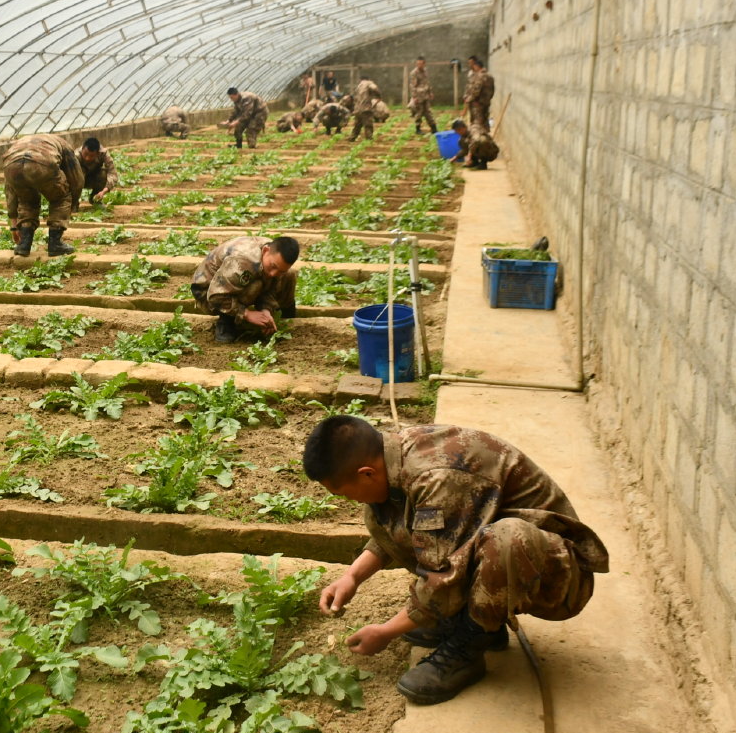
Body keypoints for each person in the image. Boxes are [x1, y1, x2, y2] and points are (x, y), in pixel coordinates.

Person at [305, 415, 608, 705]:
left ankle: (469, 644)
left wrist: (386, 631)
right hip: (504, 553)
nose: (350, 500)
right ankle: (476, 621)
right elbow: (403, 529)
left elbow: (441, 579)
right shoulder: (393, 458)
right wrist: (352, 577)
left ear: (367, 473)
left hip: (558, 574)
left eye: (345, 494)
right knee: (386, 512)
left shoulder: (436, 477)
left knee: (506, 538)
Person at [189, 235, 299, 343]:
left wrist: (266, 309)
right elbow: (216, 296)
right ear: (265, 250)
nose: (273, 273)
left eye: (280, 270)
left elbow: (270, 286)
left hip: (227, 285)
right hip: (207, 292)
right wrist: (246, 314)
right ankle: (226, 322)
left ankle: (286, 315)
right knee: (254, 286)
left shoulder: (272, 254)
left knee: (288, 275)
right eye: (273, 266)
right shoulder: (243, 261)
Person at [2, 132, 84, 256]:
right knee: (61, 198)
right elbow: (77, 178)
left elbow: (10, 190)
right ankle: (55, 244)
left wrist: (14, 224)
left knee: (27, 201)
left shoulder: (21, 142)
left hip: (11, 164)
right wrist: (73, 202)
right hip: (42, 162)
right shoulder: (64, 145)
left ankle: (24, 244)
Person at [78, 136, 119, 204]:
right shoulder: (75, 155)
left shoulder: (103, 153)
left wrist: (104, 191)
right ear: (82, 149)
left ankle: (95, 198)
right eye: (85, 154)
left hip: (92, 178)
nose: (87, 158)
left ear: (98, 153)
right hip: (78, 180)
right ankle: (74, 202)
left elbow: (113, 174)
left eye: (91, 156)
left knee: (103, 174)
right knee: (75, 176)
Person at [463, 56, 495, 130]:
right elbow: (492, 90)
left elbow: (476, 91)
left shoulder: (480, 76)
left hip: (478, 104)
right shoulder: (490, 76)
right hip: (486, 102)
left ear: (477, 66)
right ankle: (486, 134)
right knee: (485, 121)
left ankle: (479, 136)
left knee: (477, 124)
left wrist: (468, 99)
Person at [349, 77, 381, 142]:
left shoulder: (359, 86)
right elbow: (375, 88)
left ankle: (352, 137)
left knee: (357, 124)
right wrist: (379, 96)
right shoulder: (369, 83)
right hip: (366, 108)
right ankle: (369, 138)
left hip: (357, 108)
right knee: (368, 124)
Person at [409, 58, 437, 134]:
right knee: (419, 112)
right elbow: (412, 86)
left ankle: (433, 128)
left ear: (424, 64)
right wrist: (414, 97)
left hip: (426, 96)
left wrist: (430, 92)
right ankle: (418, 129)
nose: (419, 65)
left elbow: (427, 83)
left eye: (421, 64)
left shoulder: (425, 71)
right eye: (418, 64)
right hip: (418, 97)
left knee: (428, 112)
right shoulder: (414, 73)